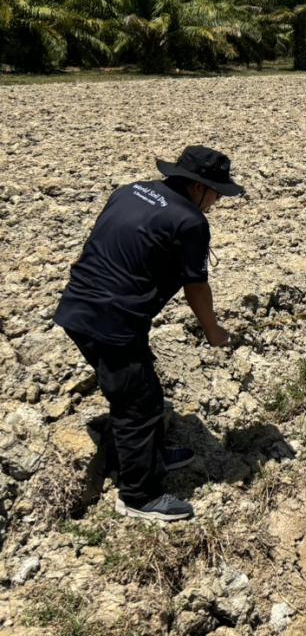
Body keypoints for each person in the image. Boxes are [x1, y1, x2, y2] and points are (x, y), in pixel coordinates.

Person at [54, 146, 243, 522]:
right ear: (198, 187)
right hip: (112, 322)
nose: (218, 200)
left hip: (79, 304)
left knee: (144, 389)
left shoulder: (131, 190)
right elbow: (196, 287)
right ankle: (139, 495)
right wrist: (213, 331)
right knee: (136, 406)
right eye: (216, 192)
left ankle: (150, 458)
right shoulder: (190, 221)